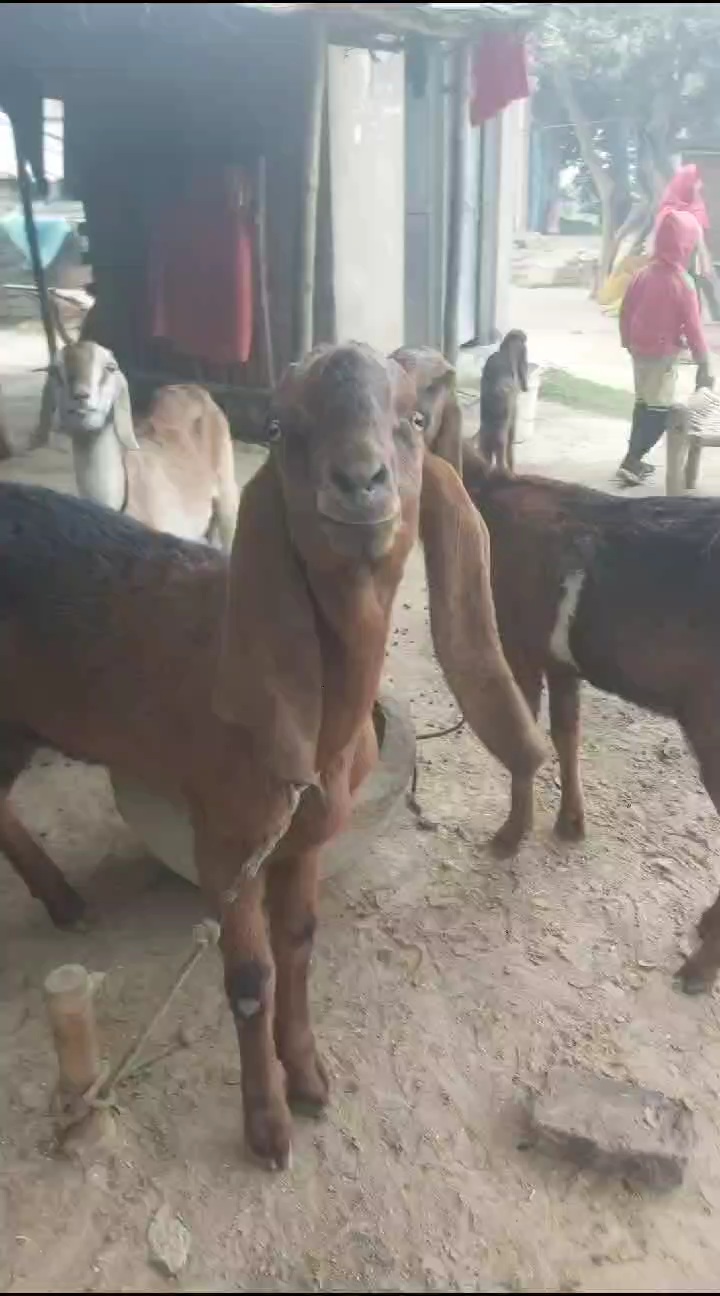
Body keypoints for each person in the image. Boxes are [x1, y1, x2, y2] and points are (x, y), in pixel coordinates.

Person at [617, 207, 712, 487]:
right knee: (660, 411)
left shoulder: (642, 274)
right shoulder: (683, 283)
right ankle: (632, 460)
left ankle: (634, 457)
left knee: (644, 404)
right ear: (685, 247)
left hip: (639, 352)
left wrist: (627, 340)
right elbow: (694, 328)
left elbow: (626, 310)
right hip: (661, 357)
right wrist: (704, 361)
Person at [655, 164, 720, 321]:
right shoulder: (670, 208)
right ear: (686, 183)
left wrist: (704, 255)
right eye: (697, 181)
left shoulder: (696, 204)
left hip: (696, 254)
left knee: (702, 280)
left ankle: (709, 314)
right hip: (677, 258)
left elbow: (701, 233)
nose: (700, 185)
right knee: (687, 285)